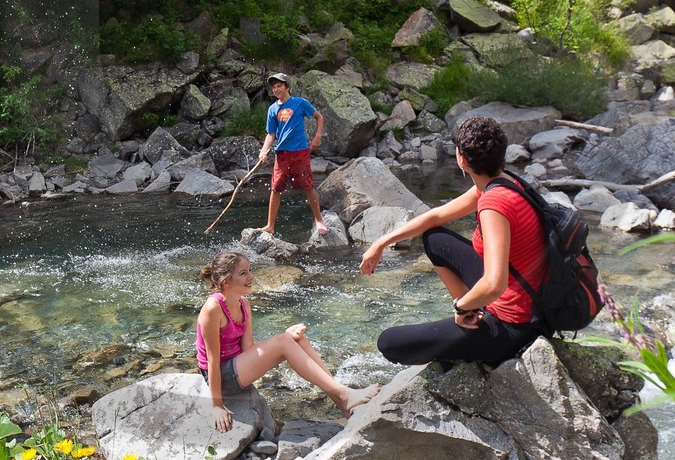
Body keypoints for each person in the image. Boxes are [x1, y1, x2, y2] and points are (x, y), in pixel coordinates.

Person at [359, 115, 547, 366]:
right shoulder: (505, 183)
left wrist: (461, 308)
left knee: (389, 342)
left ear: (462, 160)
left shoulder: (494, 205)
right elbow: (435, 216)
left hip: (513, 325)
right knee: (434, 238)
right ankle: (473, 312)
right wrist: (381, 242)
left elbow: (494, 285)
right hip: (530, 299)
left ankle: (472, 318)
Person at [196, 251, 377, 431]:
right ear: (226, 282)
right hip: (222, 376)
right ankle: (344, 393)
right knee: (284, 341)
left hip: (236, 366)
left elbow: (248, 348)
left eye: (250, 270)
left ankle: (343, 403)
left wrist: (285, 338)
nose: (251, 276)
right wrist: (217, 406)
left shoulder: (244, 303)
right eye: (243, 273)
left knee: (296, 339)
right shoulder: (213, 308)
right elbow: (212, 362)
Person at [256, 72, 327, 236]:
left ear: (287, 87)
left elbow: (319, 117)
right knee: (275, 188)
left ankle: (319, 220)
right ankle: (270, 226)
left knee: (308, 186)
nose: (276, 89)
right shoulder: (272, 109)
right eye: (274, 87)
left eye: (279, 86)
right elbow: (271, 134)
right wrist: (263, 151)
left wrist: (317, 137)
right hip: (282, 154)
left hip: (300, 152)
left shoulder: (300, 103)